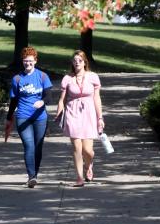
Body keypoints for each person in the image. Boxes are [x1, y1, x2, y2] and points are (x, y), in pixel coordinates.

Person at [55, 50, 104, 186]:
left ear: (84, 62)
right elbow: (62, 100)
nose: (77, 63)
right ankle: (79, 178)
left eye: (80, 60)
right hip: (72, 113)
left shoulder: (93, 77)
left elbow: (97, 98)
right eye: (75, 60)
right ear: (72, 63)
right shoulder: (67, 78)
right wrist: (59, 113)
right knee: (77, 147)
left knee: (87, 150)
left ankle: (89, 165)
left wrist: (100, 117)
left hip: (89, 114)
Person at [6, 47, 53, 188]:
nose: (28, 63)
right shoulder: (17, 79)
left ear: (35, 61)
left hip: (40, 117)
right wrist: (9, 118)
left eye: (30, 61)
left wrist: (42, 102)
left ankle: (35, 175)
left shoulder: (43, 76)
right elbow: (13, 101)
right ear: (22, 61)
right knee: (29, 146)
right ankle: (31, 176)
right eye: (25, 61)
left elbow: (49, 96)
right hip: (23, 116)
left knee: (38, 147)